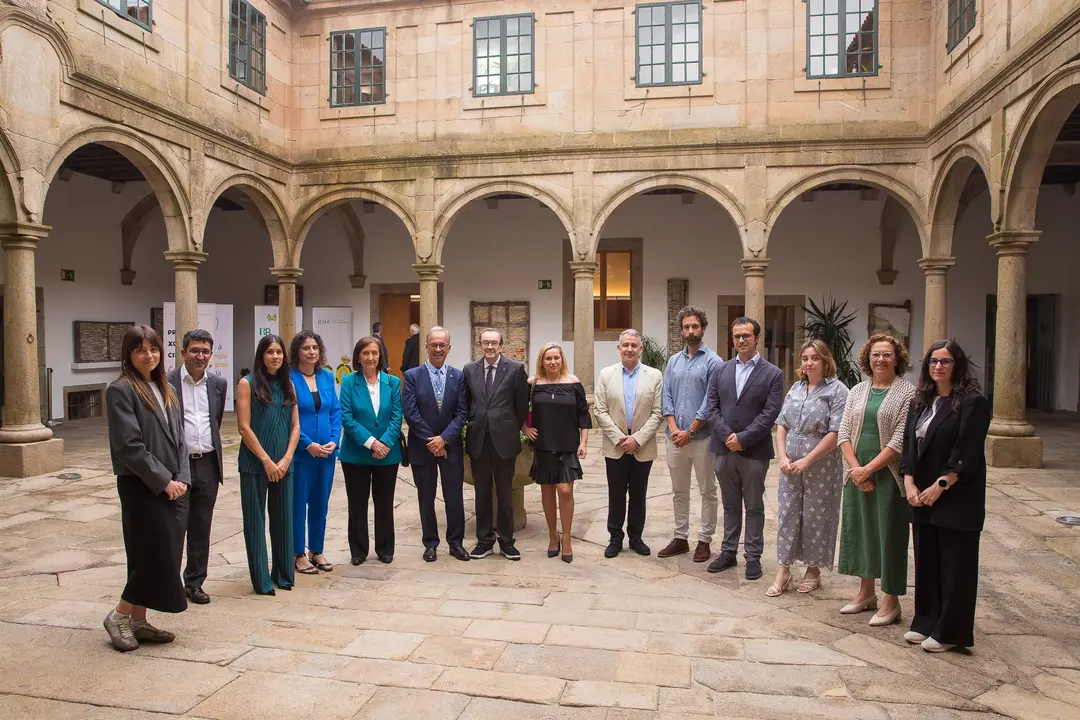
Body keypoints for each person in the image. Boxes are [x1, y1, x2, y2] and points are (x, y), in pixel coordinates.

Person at [103, 325, 189, 651]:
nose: (148, 355)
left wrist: (181, 478)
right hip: (141, 485)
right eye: (140, 350)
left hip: (174, 485)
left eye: (153, 349)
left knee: (159, 553)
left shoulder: (166, 389)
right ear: (129, 354)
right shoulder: (121, 390)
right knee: (154, 553)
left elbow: (180, 439)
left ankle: (138, 621)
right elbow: (129, 447)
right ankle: (118, 615)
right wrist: (163, 480)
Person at [901, 340, 991, 652]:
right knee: (927, 560)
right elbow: (909, 445)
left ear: (958, 365)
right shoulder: (921, 400)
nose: (938, 367)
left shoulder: (972, 402)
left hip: (955, 495)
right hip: (922, 494)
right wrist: (910, 483)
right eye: (933, 361)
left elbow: (967, 450)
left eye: (946, 361)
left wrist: (940, 485)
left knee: (956, 565)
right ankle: (926, 620)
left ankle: (951, 631)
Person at [836, 333, 916, 626]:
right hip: (857, 475)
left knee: (889, 535)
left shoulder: (907, 392)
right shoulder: (857, 390)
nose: (880, 359)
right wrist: (856, 471)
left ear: (898, 359)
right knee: (862, 532)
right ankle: (865, 593)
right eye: (875, 355)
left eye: (887, 354)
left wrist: (868, 470)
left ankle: (891, 601)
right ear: (867, 359)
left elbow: (899, 440)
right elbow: (843, 433)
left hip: (888, 476)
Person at [705, 316, 784, 580]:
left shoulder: (773, 374)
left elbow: (770, 412)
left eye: (746, 336)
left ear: (757, 338)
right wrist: (728, 435)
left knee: (754, 505)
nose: (741, 340)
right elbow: (711, 407)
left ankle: (753, 557)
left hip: (754, 452)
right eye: (737, 336)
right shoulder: (721, 370)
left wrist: (744, 438)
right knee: (729, 505)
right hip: (724, 449)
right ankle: (728, 552)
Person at [768, 339, 849, 596]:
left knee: (817, 515)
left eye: (815, 358)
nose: (809, 363)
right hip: (789, 465)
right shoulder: (795, 388)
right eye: (805, 358)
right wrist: (782, 456)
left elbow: (837, 432)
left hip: (821, 465)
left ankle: (813, 568)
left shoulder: (837, 391)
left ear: (825, 361)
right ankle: (784, 568)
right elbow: (782, 424)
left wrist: (809, 459)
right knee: (788, 514)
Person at [167, 328, 228, 606]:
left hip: (207, 464)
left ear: (211, 354)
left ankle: (194, 582)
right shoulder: (166, 383)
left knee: (201, 526)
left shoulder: (218, 384)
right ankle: (169, 583)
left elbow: (215, 420)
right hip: (177, 467)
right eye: (194, 350)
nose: (200, 356)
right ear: (183, 353)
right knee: (175, 526)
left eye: (205, 351)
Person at [236, 334, 301, 595]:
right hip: (255, 463)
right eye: (270, 352)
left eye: (279, 352)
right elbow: (243, 427)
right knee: (255, 521)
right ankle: (261, 580)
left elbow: (296, 426)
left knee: (284, 521)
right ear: (261, 356)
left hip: (284, 464)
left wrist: (285, 460)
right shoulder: (247, 383)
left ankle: (284, 574)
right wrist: (266, 460)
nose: (275, 356)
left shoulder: (289, 385)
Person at [659, 306, 724, 562]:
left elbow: (711, 400)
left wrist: (691, 431)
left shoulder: (714, 362)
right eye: (686, 327)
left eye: (694, 326)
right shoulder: (673, 361)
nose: (690, 331)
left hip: (702, 439)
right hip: (674, 438)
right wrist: (675, 429)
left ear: (703, 328)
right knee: (679, 491)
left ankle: (705, 540)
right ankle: (680, 537)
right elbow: (667, 397)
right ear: (681, 330)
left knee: (707, 490)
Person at [594, 329, 665, 559]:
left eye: (634, 345)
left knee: (638, 493)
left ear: (640, 348)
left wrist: (637, 439)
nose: (629, 349)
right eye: (625, 345)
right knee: (616, 493)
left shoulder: (654, 376)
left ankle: (636, 537)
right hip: (616, 445)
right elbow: (600, 410)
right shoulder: (606, 374)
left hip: (642, 446)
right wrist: (620, 438)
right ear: (618, 348)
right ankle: (615, 537)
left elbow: (658, 413)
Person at [402, 326, 469, 562]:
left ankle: (456, 543)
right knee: (426, 497)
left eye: (442, 345)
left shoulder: (459, 376)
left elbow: (462, 413)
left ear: (449, 348)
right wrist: (431, 440)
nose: (438, 349)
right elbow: (410, 412)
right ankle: (430, 543)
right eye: (434, 345)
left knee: (454, 496)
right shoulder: (412, 376)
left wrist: (444, 439)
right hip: (422, 447)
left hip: (450, 447)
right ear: (426, 347)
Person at [464, 329, 530, 560]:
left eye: (494, 343)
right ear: (479, 345)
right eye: (486, 343)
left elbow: (521, 404)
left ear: (502, 345)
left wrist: (511, 427)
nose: (490, 347)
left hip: (504, 440)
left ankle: (506, 541)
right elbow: (466, 402)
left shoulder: (515, 369)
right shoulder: (469, 370)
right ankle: (484, 541)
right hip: (478, 440)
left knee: (505, 492)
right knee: (481, 492)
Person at [524, 342, 590, 562]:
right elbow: (519, 408)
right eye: (548, 358)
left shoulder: (573, 382)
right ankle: (553, 535)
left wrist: (584, 442)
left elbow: (583, 414)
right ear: (542, 361)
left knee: (564, 490)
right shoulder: (533, 384)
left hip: (567, 444)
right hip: (543, 444)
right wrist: (525, 428)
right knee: (546, 492)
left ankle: (568, 537)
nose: (552, 362)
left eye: (556, 358)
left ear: (562, 359)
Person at [340, 335, 402, 565]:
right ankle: (358, 550)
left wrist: (384, 443)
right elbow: (347, 417)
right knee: (357, 503)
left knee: (384, 502)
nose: (370, 357)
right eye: (365, 353)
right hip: (356, 454)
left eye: (374, 353)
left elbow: (397, 416)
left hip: (387, 454)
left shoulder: (392, 382)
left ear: (380, 356)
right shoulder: (348, 382)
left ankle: (385, 548)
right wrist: (371, 443)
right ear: (358, 356)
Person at [289, 331, 341, 574]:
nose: (311, 352)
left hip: (327, 454)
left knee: (321, 503)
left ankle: (316, 550)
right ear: (297, 352)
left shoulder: (327, 376)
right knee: (299, 503)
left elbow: (335, 413)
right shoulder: (289, 378)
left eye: (315, 348)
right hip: (302, 453)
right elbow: (289, 418)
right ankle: (297, 552)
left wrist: (333, 441)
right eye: (306, 348)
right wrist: (307, 444)